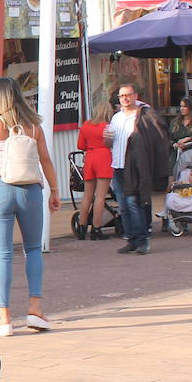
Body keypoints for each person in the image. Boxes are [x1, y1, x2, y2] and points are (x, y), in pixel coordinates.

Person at [0, 76, 60, 337]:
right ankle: (35, 309)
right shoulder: (33, 126)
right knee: (33, 249)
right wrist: (54, 190)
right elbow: (45, 160)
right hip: (30, 191)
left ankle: (5, 319)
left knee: (2, 254)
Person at [120, 103, 169, 254]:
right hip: (134, 175)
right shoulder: (149, 133)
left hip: (134, 177)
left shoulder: (139, 136)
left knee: (134, 207)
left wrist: (143, 184)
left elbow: (141, 163)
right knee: (133, 207)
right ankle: (135, 240)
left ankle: (140, 240)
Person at [104, 83, 142, 251]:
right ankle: (131, 239)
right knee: (123, 205)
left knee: (134, 203)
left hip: (133, 166)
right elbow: (109, 143)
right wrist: (106, 137)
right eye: (121, 96)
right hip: (117, 165)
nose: (125, 98)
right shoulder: (116, 118)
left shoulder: (140, 116)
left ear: (135, 96)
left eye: (128, 95)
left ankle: (141, 240)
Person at [76, 97, 115, 239]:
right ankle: (96, 228)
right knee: (100, 196)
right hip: (104, 157)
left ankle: (81, 227)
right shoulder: (107, 126)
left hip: (90, 158)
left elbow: (80, 145)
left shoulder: (86, 125)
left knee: (87, 196)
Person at [169, 94, 192, 172]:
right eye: (181, 106)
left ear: (191, 108)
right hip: (176, 152)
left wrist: (188, 139)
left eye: (185, 106)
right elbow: (169, 138)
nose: (181, 108)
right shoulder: (175, 122)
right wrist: (175, 144)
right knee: (172, 170)